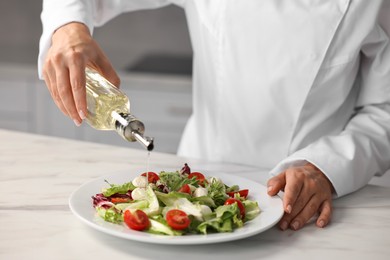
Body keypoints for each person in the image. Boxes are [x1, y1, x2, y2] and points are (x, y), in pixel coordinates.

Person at [38, 0, 390, 231]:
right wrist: (68, 29)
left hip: (309, 204)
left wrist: (324, 167)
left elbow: (384, 110)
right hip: (198, 184)